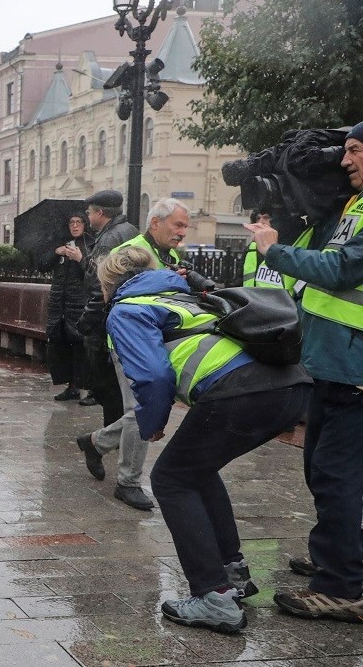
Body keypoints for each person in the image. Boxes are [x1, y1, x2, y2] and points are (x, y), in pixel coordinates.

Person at [100, 246, 311, 632]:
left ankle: (214, 597)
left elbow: (152, 375)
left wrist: (152, 423)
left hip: (241, 392)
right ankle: (232, 573)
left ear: (108, 285)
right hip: (290, 386)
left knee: (171, 479)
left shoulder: (126, 309)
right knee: (195, 470)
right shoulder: (181, 296)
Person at [245, 120, 363, 621]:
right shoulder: (352, 207)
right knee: (324, 471)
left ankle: (342, 587)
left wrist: (273, 249)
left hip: (355, 370)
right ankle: (337, 560)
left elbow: (339, 271)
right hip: (336, 366)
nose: (345, 160)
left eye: (355, 150)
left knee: (337, 478)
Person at [73, 190, 153, 511]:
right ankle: (103, 449)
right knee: (133, 407)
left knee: (119, 402)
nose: (88, 218)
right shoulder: (131, 231)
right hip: (127, 328)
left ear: (100, 213)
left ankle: (104, 451)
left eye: (90, 212)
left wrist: (86, 324)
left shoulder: (109, 239)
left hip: (114, 330)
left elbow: (101, 286)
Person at [40, 213, 93, 402]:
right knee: (62, 345)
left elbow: (93, 274)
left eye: (79, 222)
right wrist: (56, 253)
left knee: (82, 347)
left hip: (79, 304)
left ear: (85, 225)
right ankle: (71, 386)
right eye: (71, 222)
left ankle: (89, 388)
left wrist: (80, 259)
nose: (75, 226)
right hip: (59, 305)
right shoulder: (61, 244)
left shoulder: (90, 244)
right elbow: (42, 265)